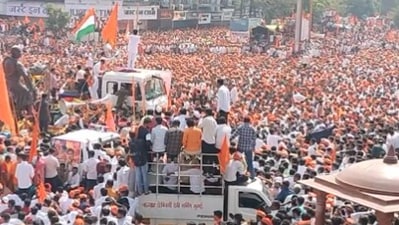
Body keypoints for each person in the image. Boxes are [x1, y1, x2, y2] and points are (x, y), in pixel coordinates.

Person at [129, 117, 152, 196]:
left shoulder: (132, 141)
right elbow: (148, 144)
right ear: (148, 123)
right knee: (144, 174)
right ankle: (146, 190)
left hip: (136, 158)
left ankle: (140, 191)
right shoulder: (147, 133)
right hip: (143, 157)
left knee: (138, 175)